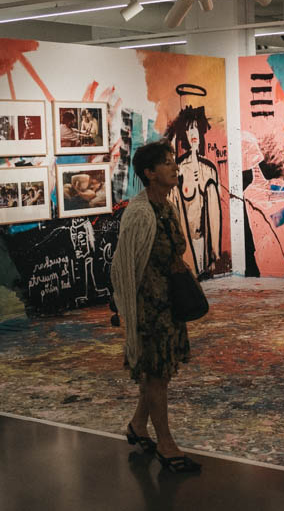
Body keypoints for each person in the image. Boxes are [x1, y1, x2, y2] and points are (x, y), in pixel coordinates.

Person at [111, 140, 202, 473]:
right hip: (149, 308)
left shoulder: (166, 207)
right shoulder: (139, 213)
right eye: (166, 163)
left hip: (168, 303)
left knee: (158, 373)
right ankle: (165, 443)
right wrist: (129, 311)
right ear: (149, 173)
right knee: (156, 374)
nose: (174, 167)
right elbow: (123, 265)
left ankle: (138, 425)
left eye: (172, 161)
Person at [165, 105, 222, 278]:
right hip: (187, 246)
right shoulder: (180, 170)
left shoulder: (209, 170)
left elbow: (214, 213)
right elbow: (172, 209)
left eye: (196, 128)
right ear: (185, 135)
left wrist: (214, 250)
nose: (193, 133)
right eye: (189, 129)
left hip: (204, 244)